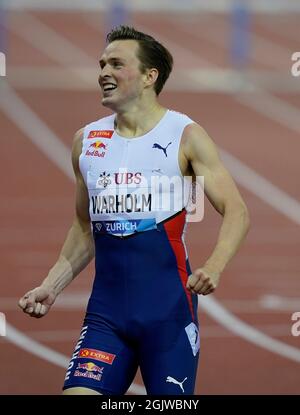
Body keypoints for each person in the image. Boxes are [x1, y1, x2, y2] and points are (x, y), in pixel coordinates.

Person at [18, 26, 250, 395]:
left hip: (169, 318)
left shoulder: (186, 135)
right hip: (105, 317)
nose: (103, 73)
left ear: (149, 76)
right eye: (101, 64)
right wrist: (52, 285)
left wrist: (214, 267)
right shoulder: (86, 141)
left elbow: (236, 211)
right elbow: (83, 226)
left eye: (116, 64)